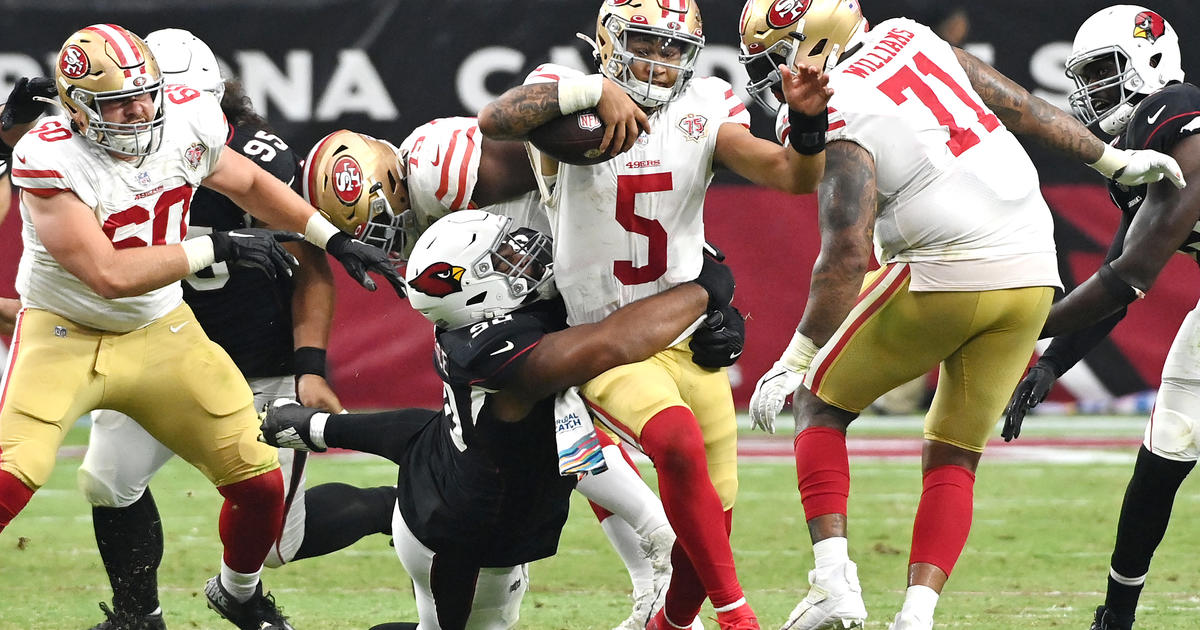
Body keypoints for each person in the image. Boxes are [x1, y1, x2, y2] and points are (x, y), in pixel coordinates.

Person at [737, 1, 1186, 629]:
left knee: (818, 401)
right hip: (1034, 266)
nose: (767, 74)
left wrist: (795, 356)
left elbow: (844, 253)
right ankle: (916, 616)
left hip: (945, 266)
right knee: (953, 451)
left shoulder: (838, 103)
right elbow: (1024, 108)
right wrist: (1111, 160)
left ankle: (833, 583)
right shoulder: (907, 35)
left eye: (774, 56)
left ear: (811, 44)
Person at [0, 23, 402, 630]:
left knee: (260, 483)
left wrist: (331, 237)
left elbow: (245, 181)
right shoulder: (48, 156)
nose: (139, 111)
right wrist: (216, 245)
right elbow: (106, 273)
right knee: (15, 474)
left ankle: (239, 594)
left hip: (163, 330)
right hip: (67, 333)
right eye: (117, 102)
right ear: (79, 109)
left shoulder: (186, 114)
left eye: (145, 93)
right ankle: (140, 614)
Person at [477, 1, 831, 626]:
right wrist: (593, 92)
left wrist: (805, 124)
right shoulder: (567, 94)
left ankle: (669, 622)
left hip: (687, 333)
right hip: (605, 336)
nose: (660, 61)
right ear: (609, 43)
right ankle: (738, 616)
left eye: (673, 49)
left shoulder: (705, 108)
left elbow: (792, 177)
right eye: (646, 43)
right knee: (674, 442)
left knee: (712, 520)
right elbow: (496, 117)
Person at [259, 209, 737, 629]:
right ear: (474, 290)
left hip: (444, 472)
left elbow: (421, 434)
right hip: (459, 542)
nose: (525, 256)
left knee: (526, 438)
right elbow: (614, 340)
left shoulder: (486, 325)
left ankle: (314, 431)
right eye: (505, 260)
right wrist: (704, 293)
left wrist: (716, 322)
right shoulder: (497, 353)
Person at [999, 7, 1199, 630]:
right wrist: (1052, 361)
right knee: (1166, 438)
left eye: (1105, 73)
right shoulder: (1146, 150)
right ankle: (1116, 617)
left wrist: (1020, 328)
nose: (1092, 94)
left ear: (1152, 61)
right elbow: (1118, 273)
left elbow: (1130, 273)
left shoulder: (1176, 114)